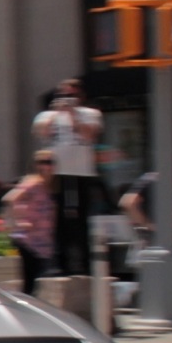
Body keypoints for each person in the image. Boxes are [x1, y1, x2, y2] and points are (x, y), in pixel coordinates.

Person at [31, 80, 104, 274]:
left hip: (81, 172)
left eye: (72, 96)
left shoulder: (90, 114)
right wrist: (55, 115)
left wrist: (73, 115)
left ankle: (83, 264)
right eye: (63, 95)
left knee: (80, 220)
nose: (67, 99)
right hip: (54, 174)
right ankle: (57, 263)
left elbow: (90, 136)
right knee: (55, 217)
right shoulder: (46, 116)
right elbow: (41, 133)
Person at [2, 151, 59, 289]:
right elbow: (10, 198)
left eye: (49, 162)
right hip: (29, 240)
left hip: (43, 242)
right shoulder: (33, 183)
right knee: (30, 282)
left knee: (36, 282)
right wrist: (20, 221)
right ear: (36, 165)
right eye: (42, 162)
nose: (46, 166)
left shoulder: (50, 185)